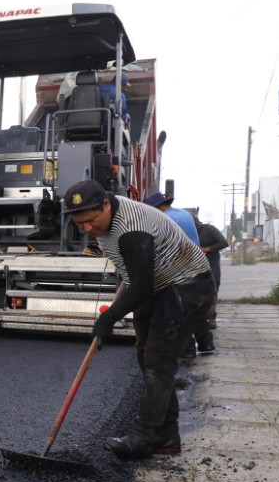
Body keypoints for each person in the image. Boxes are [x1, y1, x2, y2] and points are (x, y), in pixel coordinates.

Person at [62, 179, 215, 459]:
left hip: (187, 287)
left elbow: (141, 287)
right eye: (79, 223)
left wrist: (108, 320)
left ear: (106, 204)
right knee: (147, 357)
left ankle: (143, 437)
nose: (86, 228)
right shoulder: (106, 221)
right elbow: (137, 278)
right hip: (159, 287)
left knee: (159, 362)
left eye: (91, 220)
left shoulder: (132, 229)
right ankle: (167, 437)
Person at [144, 192, 213, 356]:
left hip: (180, 267)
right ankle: (206, 342)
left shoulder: (163, 219)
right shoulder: (185, 214)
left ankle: (187, 351)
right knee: (196, 307)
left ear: (157, 207)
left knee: (179, 309)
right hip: (197, 265)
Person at [193, 214, 228, 329]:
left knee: (213, 289)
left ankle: (212, 317)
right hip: (196, 265)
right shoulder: (187, 232)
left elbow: (224, 243)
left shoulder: (209, 229)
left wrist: (207, 249)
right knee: (197, 291)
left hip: (212, 263)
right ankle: (198, 317)